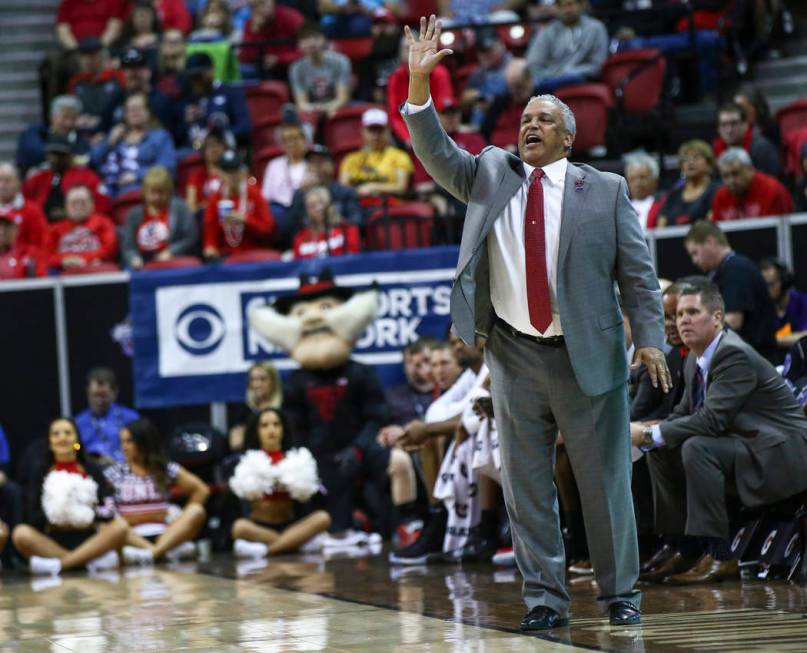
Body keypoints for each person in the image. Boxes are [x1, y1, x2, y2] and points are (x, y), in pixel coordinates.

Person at [401, 16, 669, 629]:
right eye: (525, 118)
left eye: (544, 118)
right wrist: (420, 87)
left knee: (605, 486)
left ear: (568, 138)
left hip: (587, 355)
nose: (530, 125)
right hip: (514, 354)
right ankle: (545, 603)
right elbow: (436, 152)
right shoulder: (490, 173)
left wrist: (650, 338)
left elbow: (637, 273)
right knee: (526, 492)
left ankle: (619, 594)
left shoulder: (604, 190)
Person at [631, 282, 807, 584]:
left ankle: (722, 556)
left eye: (692, 312)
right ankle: (683, 546)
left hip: (780, 453)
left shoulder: (732, 354)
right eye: (679, 313)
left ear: (717, 317)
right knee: (662, 449)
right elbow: (684, 413)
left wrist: (650, 434)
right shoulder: (693, 357)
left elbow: (710, 421)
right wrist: (655, 432)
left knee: (697, 447)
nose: (683, 320)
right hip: (746, 443)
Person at [11, 417, 129, 576]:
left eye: (68, 433)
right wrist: (59, 516)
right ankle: (85, 564)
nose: (62, 437)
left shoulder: (92, 469)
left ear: (77, 440)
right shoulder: (40, 472)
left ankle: (61, 565)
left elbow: (109, 507)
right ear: (50, 442)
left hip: (90, 538)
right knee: (21, 533)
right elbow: (32, 516)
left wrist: (87, 516)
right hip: (52, 539)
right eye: (56, 434)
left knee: (121, 527)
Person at [106, 418, 209, 564]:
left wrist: (179, 518)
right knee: (111, 525)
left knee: (196, 511)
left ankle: (153, 553)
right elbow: (101, 503)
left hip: (164, 533)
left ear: (144, 442)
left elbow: (201, 490)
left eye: (129, 441)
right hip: (132, 536)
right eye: (122, 442)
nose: (124, 447)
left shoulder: (164, 468)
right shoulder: (115, 472)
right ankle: (159, 552)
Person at [230, 408, 331, 557]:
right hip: (261, 528)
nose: (271, 429)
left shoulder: (297, 460)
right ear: (256, 431)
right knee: (239, 527)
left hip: (291, 525)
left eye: (276, 424)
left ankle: (269, 550)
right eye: (264, 425)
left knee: (323, 518)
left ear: (283, 429)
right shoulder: (248, 461)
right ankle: (293, 544)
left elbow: (307, 497)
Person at [683, 220, 778, 361]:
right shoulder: (723, 270)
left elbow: (733, 321)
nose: (694, 260)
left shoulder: (736, 269)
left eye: (695, 253)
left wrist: (697, 329)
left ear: (710, 242)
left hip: (757, 357)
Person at [91, 92, 177, 198]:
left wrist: (137, 176)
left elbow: (167, 169)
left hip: (141, 191)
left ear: (148, 112)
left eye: (138, 109)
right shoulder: (116, 135)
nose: (134, 113)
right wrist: (108, 142)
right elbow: (93, 161)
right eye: (130, 109)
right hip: (108, 191)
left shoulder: (161, 137)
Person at [120, 166, 199, 268]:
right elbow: (128, 247)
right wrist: (134, 258)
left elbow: (191, 238)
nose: (157, 197)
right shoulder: (134, 215)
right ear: (144, 192)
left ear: (169, 191)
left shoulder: (180, 208)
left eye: (161, 192)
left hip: (173, 261)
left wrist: (171, 252)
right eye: (153, 192)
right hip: (144, 263)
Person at [202, 150, 277, 258]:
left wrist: (245, 219)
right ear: (220, 174)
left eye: (235, 171)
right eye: (227, 171)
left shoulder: (254, 194)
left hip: (255, 255)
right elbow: (210, 234)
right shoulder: (215, 199)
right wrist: (210, 248)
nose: (232, 176)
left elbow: (269, 230)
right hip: (227, 257)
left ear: (243, 172)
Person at [525, 0, 608, 94]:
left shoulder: (596, 28)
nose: (567, 10)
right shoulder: (547, 32)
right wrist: (554, 75)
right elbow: (533, 64)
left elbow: (598, 65)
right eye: (561, 6)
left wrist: (573, 72)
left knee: (572, 78)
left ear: (581, 5)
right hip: (550, 80)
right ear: (556, 8)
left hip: (583, 79)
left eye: (571, 4)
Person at [387, 33, 454, 146]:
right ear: (400, 53)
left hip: (439, 132)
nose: (411, 52)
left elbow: (443, 110)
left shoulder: (440, 73)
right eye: (407, 48)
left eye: (415, 48)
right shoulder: (395, 78)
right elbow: (395, 115)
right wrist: (408, 138)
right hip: (409, 136)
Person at [23, 135, 110, 222]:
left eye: (61, 155)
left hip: (77, 226)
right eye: (52, 154)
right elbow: (24, 203)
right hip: (44, 227)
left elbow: (102, 206)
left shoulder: (87, 177)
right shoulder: (38, 178)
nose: (55, 159)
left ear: (71, 156)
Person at [175, 52, 251, 150]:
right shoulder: (186, 98)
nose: (195, 81)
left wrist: (217, 138)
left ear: (211, 70)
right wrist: (186, 123)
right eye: (192, 77)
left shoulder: (230, 92)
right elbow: (177, 137)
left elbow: (244, 127)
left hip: (225, 149)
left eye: (199, 76)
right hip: (195, 152)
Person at [338, 108, 413, 207]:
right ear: (363, 131)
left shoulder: (400, 156)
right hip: (358, 206)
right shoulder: (351, 159)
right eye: (371, 130)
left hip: (389, 206)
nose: (376, 135)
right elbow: (343, 188)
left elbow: (402, 187)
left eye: (380, 130)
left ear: (388, 131)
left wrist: (373, 187)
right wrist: (360, 192)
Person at [285, 145, 363, 236]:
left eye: (320, 162)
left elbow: (359, 222)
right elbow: (288, 230)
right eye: (312, 162)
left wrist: (338, 221)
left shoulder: (345, 192)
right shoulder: (300, 194)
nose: (316, 166)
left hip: (341, 242)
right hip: (310, 244)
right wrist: (301, 197)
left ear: (332, 166)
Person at [102, 47, 176, 139]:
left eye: (138, 67)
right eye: (128, 68)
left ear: (148, 71)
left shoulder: (162, 101)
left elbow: (173, 134)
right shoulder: (116, 99)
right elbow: (102, 129)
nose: (133, 72)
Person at [74, 367, 140, 465]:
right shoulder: (78, 423)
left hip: (127, 469)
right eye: (95, 395)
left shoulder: (131, 418)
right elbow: (75, 447)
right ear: (87, 392)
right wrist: (89, 456)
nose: (99, 401)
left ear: (115, 392)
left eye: (104, 395)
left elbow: (143, 447)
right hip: (92, 471)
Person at [46, 185, 119, 272]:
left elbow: (110, 249)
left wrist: (84, 259)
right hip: (63, 273)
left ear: (92, 204)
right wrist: (63, 260)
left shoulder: (104, 223)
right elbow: (45, 255)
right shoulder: (55, 229)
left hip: (97, 271)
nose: (78, 207)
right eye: (74, 203)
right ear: (66, 206)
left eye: (82, 202)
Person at [710, 148, 792, 222]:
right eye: (725, 176)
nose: (731, 181)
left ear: (750, 170)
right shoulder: (721, 196)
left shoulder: (771, 189)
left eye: (736, 173)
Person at [261, 120, 310, 244]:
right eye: (287, 140)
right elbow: (266, 197)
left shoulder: (311, 163)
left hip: (304, 209)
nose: (291, 143)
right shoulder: (274, 165)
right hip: (279, 211)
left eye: (295, 138)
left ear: (305, 140)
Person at [288, 22, 351, 118]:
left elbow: (342, 99)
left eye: (315, 37)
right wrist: (314, 109)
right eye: (305, 39)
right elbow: (301, 103)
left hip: (336, 108)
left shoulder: (341, 61)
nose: (311, 43)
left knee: (335, 114)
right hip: (311, 111)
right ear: (298, 44)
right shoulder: (296, 68)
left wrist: (326, 108)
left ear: (324, 39)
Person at [16, 95, 89, 176]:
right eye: (65, 117)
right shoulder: (36, 132)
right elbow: (32, 152)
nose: (68, 123)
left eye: (73, 118)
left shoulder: (80, 139)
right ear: (53, 116)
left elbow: (86, 158)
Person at [68, 38, 126, 137]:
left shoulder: (117, 77)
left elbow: (124, 105)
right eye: (83, 56)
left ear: (101, 56)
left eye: (92, 55)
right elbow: (72, 109)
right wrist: (77, 118)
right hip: (85, 132)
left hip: (112, 130)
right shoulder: (75, 82)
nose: (87, 60)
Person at [655, 140, 720, 228]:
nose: (690, 162)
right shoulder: (673, 195)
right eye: (686, 159)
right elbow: (661, 226)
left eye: (696, 157)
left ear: (709, 164)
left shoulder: (717, 190)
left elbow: (712, 224)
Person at [712, 102, 781, 178]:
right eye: (724, 124)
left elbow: (770, 183)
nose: (729, 130)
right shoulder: (716, 149)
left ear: (745, 125)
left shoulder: (763, 148)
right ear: (718, 129)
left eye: (734, 123)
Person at [238, 0, 304, 78]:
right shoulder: (250, 25)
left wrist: (279, 59)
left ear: (272, 2)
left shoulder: (291, 17)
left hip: (294, 67)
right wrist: (255, 33)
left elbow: (308, 49)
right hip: (264, 71)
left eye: (263, 3)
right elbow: (245, 59)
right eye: (254, 7)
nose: (260, 9)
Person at [292, 185, 361, 259]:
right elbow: (299, 266)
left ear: (330, 204)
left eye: (322, 202)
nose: (319, 208)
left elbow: (354, 259)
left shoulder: (348, 229)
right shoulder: (300, 238)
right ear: (307, 211)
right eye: (312, 206)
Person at [228, 360, 283, 452]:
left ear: (273, 381)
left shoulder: (285, 408)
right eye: (253, 379)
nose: (257, 384)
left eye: (262, 379)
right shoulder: (244, 410)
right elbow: (235, 443)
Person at [759, 258, 807, 349]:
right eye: (763, 285)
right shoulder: (763, 307)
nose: (766, 290)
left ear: (785, 282)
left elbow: (805, 338)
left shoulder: (802, 302)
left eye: (770, 284)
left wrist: (773, 340)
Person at [0, 163, 48, 251]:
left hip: (20, 260)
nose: (2, 185)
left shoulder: (33, 210)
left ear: (18, 183)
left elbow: (40, 243)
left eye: (7, 181)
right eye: (0, 180)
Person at [185, 127, 227, 213]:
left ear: (224, 148)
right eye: (210, 146)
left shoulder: (232, 173)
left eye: (218, 144)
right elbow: (190, 207)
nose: (214, 149)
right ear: (204, 151)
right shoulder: (196, 175)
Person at [0, 211, 46, 280]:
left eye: (7, 227)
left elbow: (42, 281)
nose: (2, 232)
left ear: (17, 230)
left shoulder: (31, 253)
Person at [624, 152, 664, 231]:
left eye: (642, 177)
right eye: (633, 178)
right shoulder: (621, 207)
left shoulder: (663, 204)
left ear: (654, 180)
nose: (637, 183)